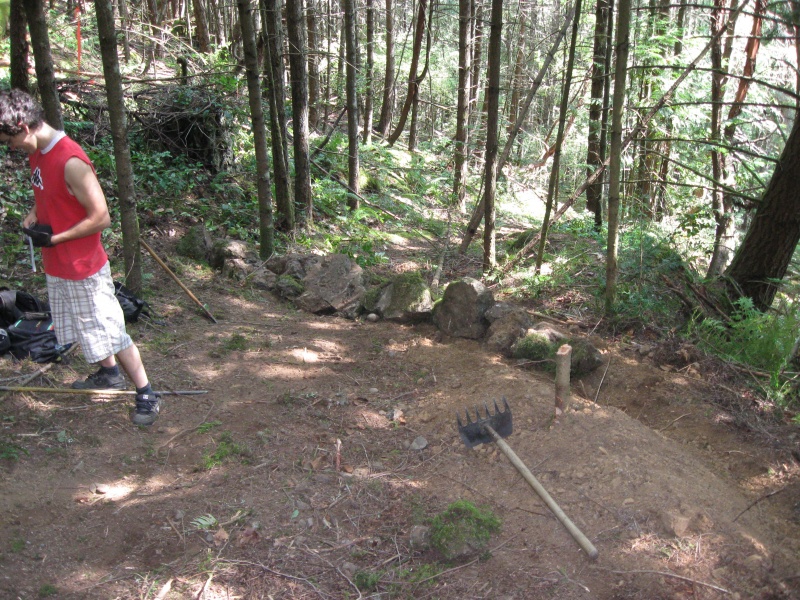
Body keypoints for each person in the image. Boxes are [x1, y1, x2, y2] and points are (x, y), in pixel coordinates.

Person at [0, 89, 161, 426]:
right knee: (86, 327)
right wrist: (34, 215)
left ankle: (146, 392)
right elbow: (47, 192)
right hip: (58, 264)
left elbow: (101, 217)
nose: (9, 147)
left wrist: (55, 237)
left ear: (23, 127)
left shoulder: (70, 159)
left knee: (112, 330)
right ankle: (108, 373)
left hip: (83, 267)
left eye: (8, 140)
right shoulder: (38, 152)